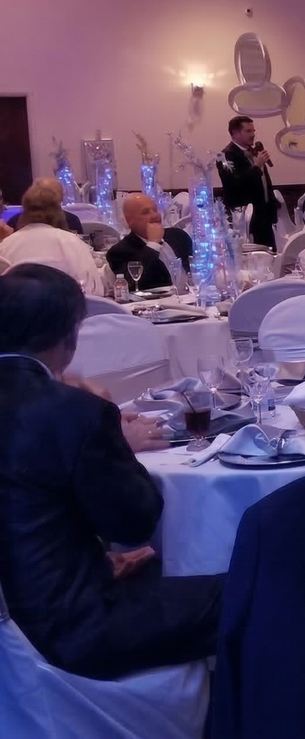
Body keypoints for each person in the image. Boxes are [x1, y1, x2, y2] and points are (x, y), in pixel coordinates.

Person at [0, 264, 222, 679]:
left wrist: (93, 561)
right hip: (70, 629)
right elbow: (135, 523)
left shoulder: (62, 409)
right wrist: (118, 441)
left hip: (20, 611)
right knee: (255, 588)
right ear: (69, 336)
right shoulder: (71, 412)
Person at [0, 178, 103, 294]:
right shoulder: (72, 242)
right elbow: (95, 290)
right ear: (59, 211)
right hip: (66, 304)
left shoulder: (6, 245)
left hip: (16, 305)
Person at [105, 193, 192, 291]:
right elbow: (133, 285)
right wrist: (153, 244)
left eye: (155, 210)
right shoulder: (119, 252)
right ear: (129, 221)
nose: (155, 215)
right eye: (145, 212)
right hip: (158, 300)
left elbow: (195, 271)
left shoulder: (178, 236)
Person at [218, 115, 279, 251]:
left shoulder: (254, 152)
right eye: (248, 131)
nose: (253, 134)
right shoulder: (226, 156)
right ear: (235, 133)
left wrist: (272, 207)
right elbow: (234, 183)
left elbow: (264, 182)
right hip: (244, 216)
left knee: (269, 252)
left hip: (263, 212)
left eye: (253, 131)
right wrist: (256, 166)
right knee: (254, 255)